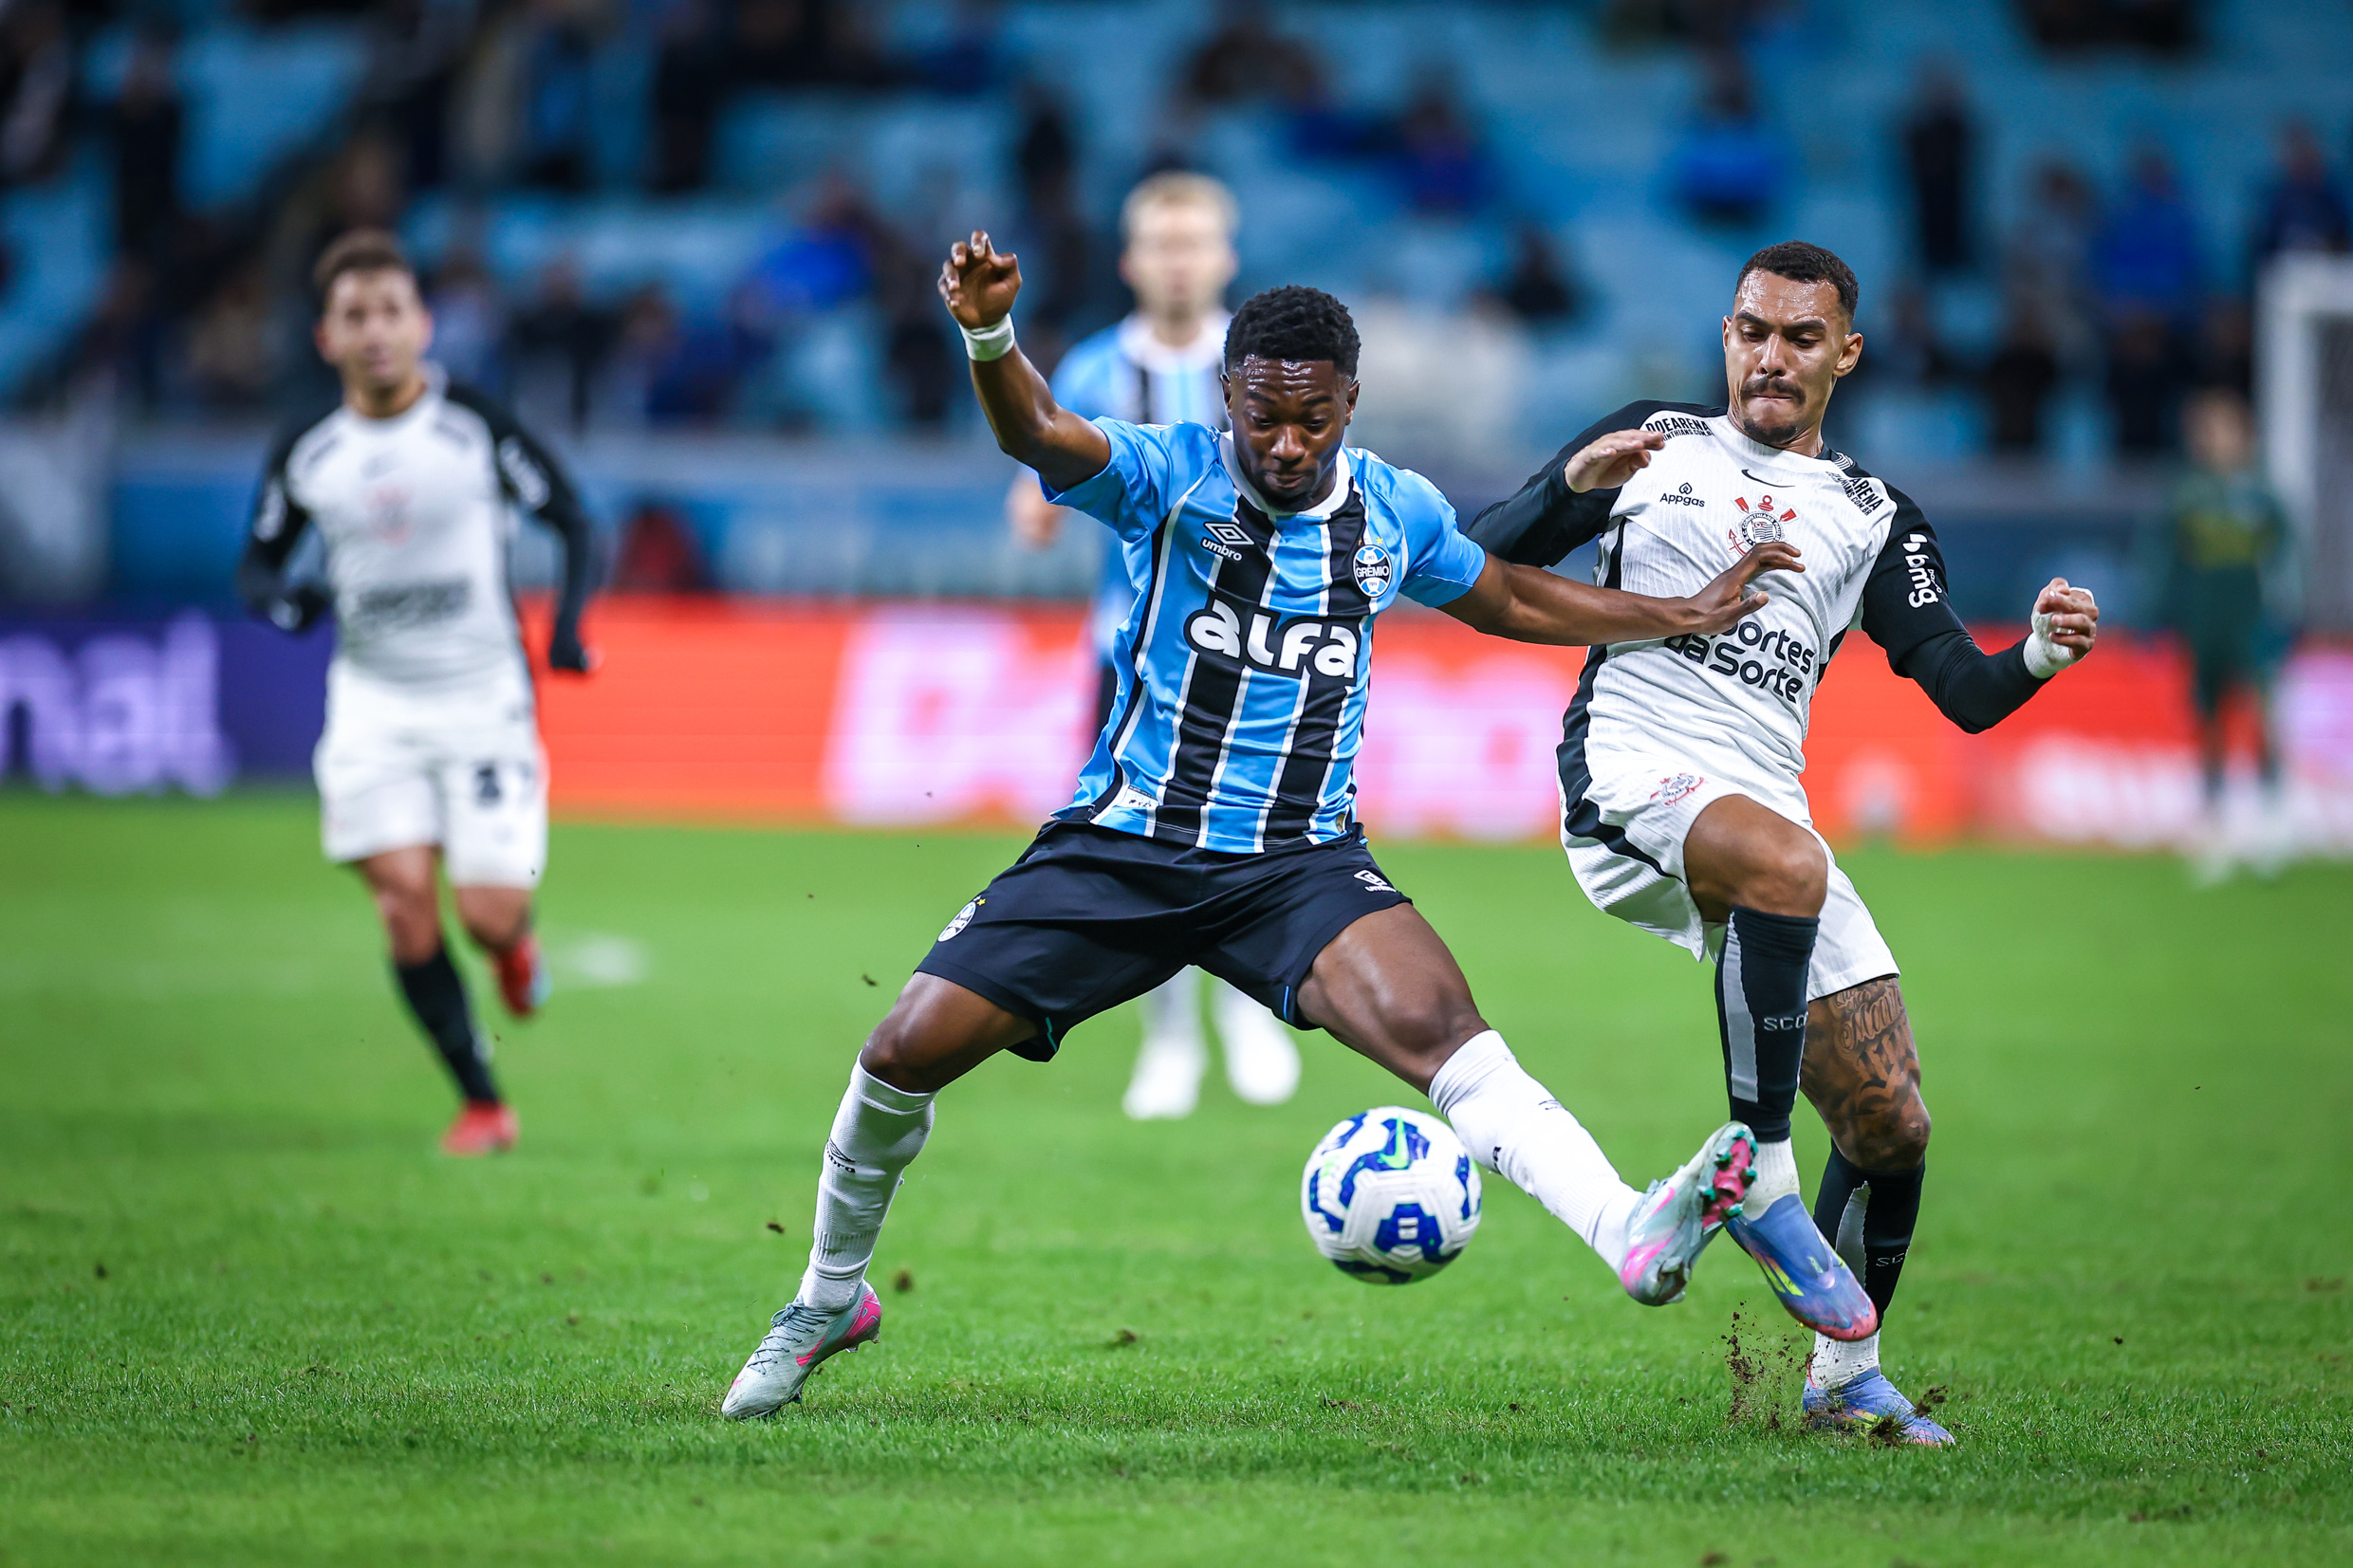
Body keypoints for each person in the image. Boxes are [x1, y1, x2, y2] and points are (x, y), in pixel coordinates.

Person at [720, 235, 1812, 1420]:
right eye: (1262, 418)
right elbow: (1039, 435)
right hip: (1121, 851)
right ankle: (830, 1294)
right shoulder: (1169, 473)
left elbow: (1504, 595)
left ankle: (1628, 1232)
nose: (1286, 445)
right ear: (1227, 399)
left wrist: (1672, 612)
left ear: (1348, 403)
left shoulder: (1393, 509)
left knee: (1445, 1036)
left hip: (1298, 867)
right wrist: (990, 338)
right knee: (900, 1053)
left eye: (1312, 419)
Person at [1465, 241, 2101, 1446]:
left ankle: (1840, 1374)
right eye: (1752, 331)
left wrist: (2035, 657)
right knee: (1786, 865)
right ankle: (1751, 1165)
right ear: (1725, 336)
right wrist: (1568, 489)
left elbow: (1957, 689)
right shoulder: (1648, 442)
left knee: (1890, 1123)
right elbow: (1481, 565)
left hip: (1765, 819)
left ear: (1844, 354)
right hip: (1628, 778)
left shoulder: (1871, 517)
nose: (1770, 355)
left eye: (1799, 337)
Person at [237, 231, 597, 1156]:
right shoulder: (310, 452)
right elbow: (257, 567)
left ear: (422, 324)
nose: (375, 332)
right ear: (326, 337)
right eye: (354, 316)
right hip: (373, 703)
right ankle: (483, 1101)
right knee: (400, 895)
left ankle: (514, 948)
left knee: (485, 913)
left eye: (390, 311)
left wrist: (563, 630)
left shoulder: (473, 427)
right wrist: (288, 604)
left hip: (482, 700)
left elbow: (572, 517)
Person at [1006, 172, 1302, 1121]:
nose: (1179, 263)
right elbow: (1053, 462)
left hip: (1254, 643)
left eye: (1195, 244)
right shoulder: (1094, 369)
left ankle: (1248, 1008)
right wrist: (1033, 498)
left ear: (1226, 257)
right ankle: (1167, 1038)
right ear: (1132, 263)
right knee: (1143, 844)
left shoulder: (1265, 366)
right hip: (1131, 653)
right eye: (1162, 246)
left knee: (1257, 828)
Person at [2151, 387, 2298, 881]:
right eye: (2206, 432)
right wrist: (2155, 613)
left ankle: (2273, 824)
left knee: (2262, 712)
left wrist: (2293, 609)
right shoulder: (2188, 495)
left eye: (2223, 430)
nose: (2214, 441)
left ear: (2244, 436)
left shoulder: (2263, 495)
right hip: (2203, 620)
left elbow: (2291, 554)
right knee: (2209, 719)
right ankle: (2214, 828)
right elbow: (2162, 558)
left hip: (2252, 617)